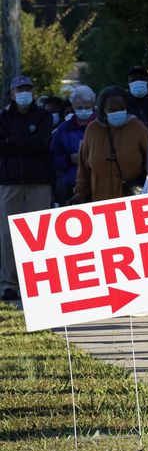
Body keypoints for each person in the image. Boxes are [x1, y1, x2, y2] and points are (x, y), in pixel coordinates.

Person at [0, 76, 53, 301]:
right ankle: (9, 284)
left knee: (38, 234)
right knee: (7, 234)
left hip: (38, 180)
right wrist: (27, 142)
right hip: (9, 181)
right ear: (12, 93)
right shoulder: (3, 117)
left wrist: (13, 141)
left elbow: (42, 143)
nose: (24, 93)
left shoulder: (43, 116)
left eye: (28, 89)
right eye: (20, 89)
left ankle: (36, 282)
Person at [71, 86, 148, 203]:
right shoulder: (92, 130)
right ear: (103, 110)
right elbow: (83, 169)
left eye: (121, 108)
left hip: (134, 202)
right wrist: (79, 193)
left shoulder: (137, 127)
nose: (118, 112)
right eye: (112, 110)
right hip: (101, 202)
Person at [50, 85, 96, 206]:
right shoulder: (63, 129)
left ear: (93, 106)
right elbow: (54, 157)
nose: (84, 111)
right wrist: (69, 159)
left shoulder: (102, 126)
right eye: (79, 108)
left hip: (99, 183)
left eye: (87, 107)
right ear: (73, 107)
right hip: (72, 185)